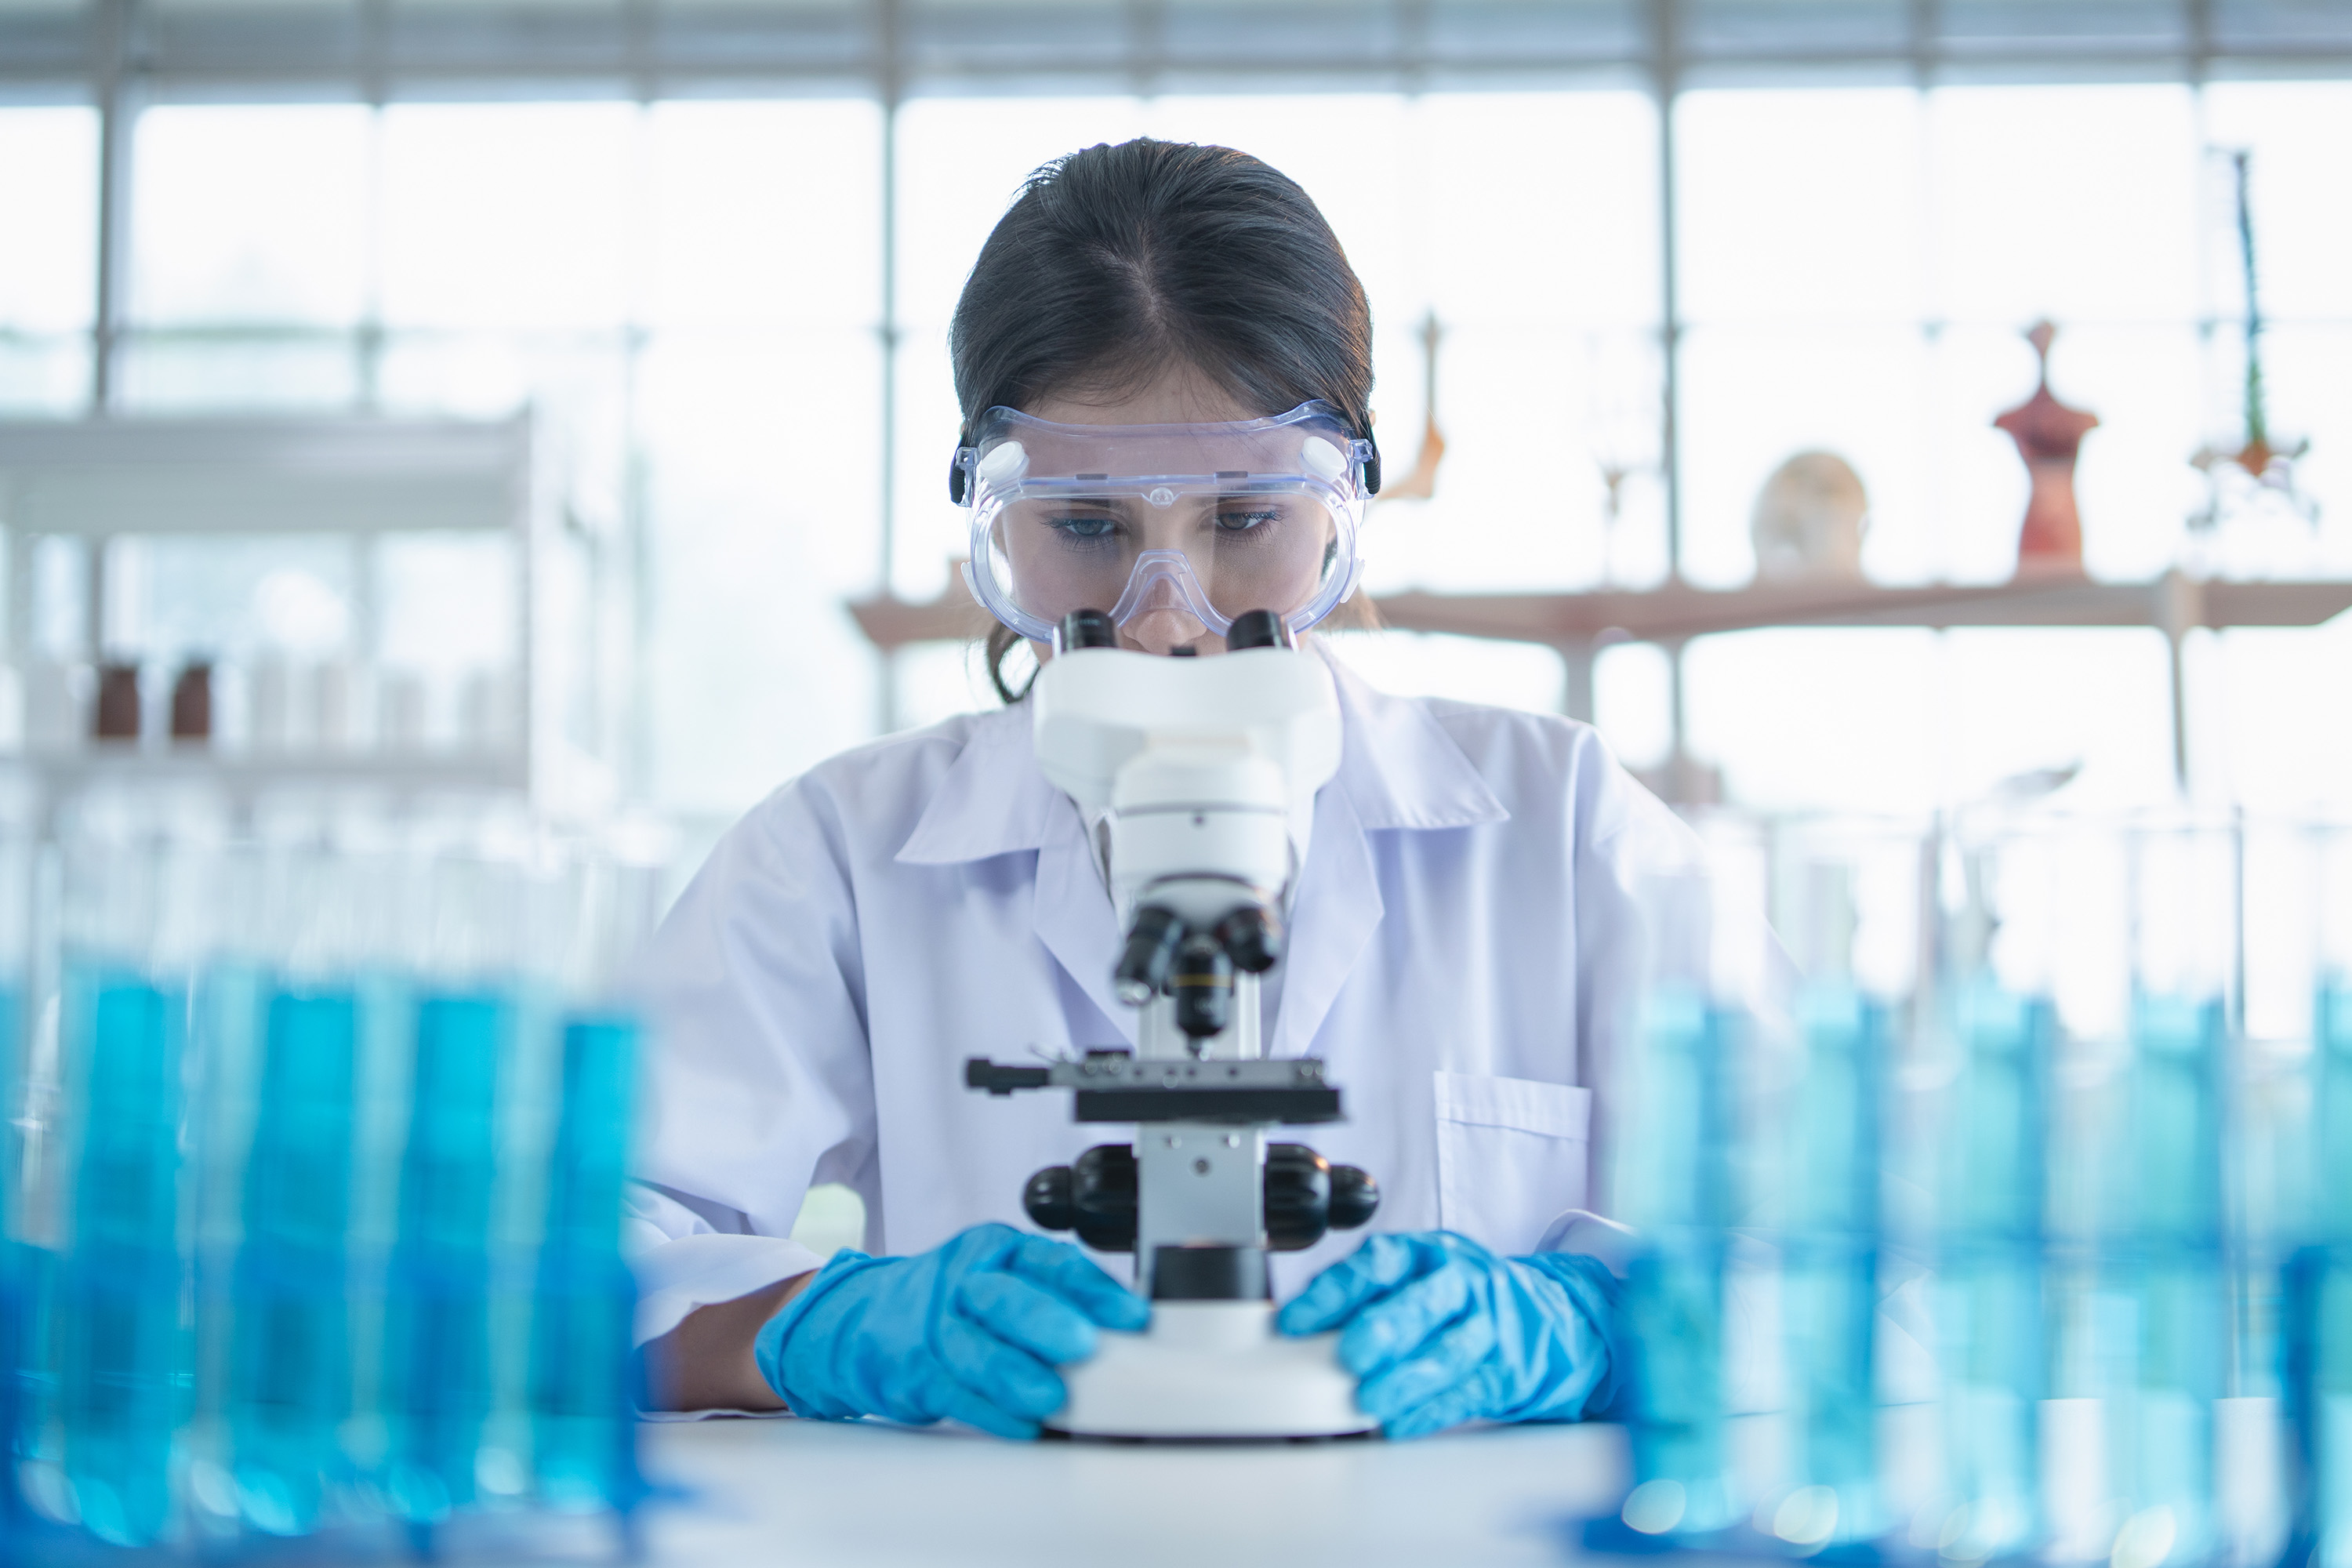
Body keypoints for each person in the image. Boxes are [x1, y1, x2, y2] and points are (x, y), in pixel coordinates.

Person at [633, 137, 1700, 1439]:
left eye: (1245, 520)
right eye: (1086, 528)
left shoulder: (1564, 826)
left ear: (1343, 509)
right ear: (994, 520)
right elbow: (554, 1282)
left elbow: (1848, 1264)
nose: (1167, 621)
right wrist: (806, 1330)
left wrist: (1594, 1329)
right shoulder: (840, 856)